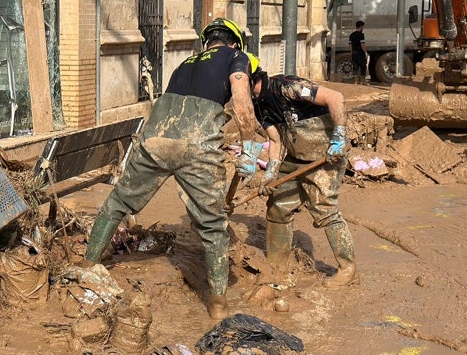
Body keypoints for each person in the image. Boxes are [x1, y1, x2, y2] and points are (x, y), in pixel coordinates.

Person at [80, 18, 260, 322]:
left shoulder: (184, 64)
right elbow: (242, 102)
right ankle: (217, 304)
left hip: (156, 138)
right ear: (233, 42)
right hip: (197, 145)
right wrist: (251, 149)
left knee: (117, 203)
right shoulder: (235, 57)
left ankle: (87, 266)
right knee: (213, 225)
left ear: (206, 43)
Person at [245, 53, 359, 287]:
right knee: (277, 207)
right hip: (295, 158)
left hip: (325, 157)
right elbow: (275, 141)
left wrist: (338, 138)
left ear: (250, 78)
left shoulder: (288, 87)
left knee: (324, 209)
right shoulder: (257, 104)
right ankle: (277, 266)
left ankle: (348, 269)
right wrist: (271, 173)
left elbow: (336, 98)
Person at [349, 20, 368, 85]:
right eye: (363, 27)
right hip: (360, 53)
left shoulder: (351, 35)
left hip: (354, 53)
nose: (363, 28)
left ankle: (355, 82)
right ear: (361, 26)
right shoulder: (361, 35)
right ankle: (363, 81)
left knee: (355, 67)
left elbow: (350, 45)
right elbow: (362, 45)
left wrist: (352, 52)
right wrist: (365, 52)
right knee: (363, 66)